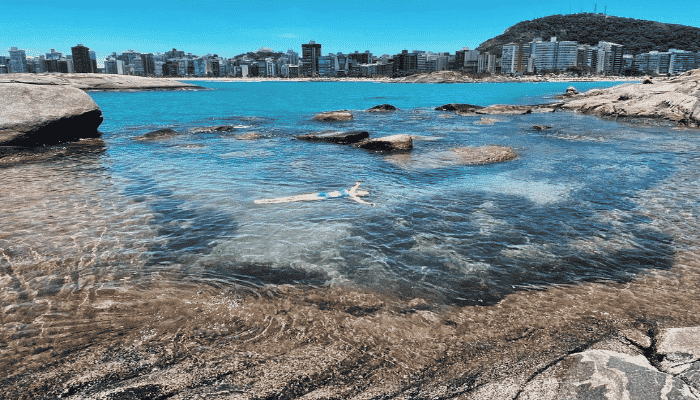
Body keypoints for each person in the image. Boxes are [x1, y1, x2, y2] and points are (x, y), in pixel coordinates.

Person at [255, 182, 374, 205]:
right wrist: (358, 184)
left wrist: (369, 204)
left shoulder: (352, 195)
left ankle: (265, 202)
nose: (363, 192)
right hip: (320, 194)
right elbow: (355, 186)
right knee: (295, 197)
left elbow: (360, 201)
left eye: (364, 193)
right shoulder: (351, 192)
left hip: (321, 198)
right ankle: (267, 200)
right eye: (364, 191)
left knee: (294, 200)